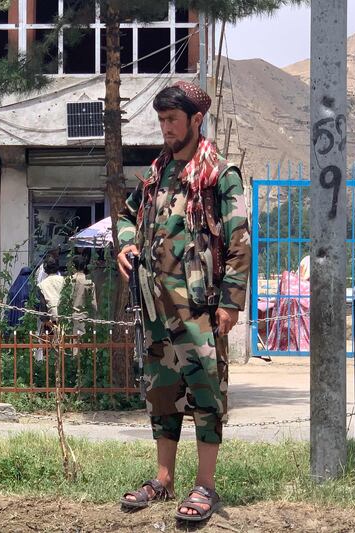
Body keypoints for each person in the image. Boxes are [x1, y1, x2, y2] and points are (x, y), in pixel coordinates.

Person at [116, 81, 251, 523]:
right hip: (157, 311)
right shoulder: (158, 172)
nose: (166, 128)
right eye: (161, 120)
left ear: (196, 120)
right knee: (162, 394)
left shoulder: (218, 175)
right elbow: (124, 215)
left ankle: (205, 486)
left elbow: (238, 242)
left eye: (172, 120)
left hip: (200, 309)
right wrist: (126, 244)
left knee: (207, 394)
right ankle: (163, 479)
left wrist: (230, 303)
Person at [69, 255, 98, 338]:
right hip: (85, 316)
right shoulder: (89, 282)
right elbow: (93, 303)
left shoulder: (69, 281)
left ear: (73, 267)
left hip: (70, 315)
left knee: (71, 343)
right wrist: (95, 318)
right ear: (84, 266)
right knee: (84, 343)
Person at [37, 255, 65, 333]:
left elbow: (43, 304)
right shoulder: (64, 280)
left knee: (50, 342)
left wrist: (45, 320)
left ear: (45, 269)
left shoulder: (42, 285)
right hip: (64, 316)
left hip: (50, 318)